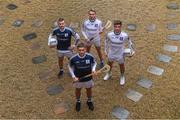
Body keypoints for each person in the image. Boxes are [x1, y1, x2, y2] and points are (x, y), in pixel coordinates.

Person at [104, 20, 134, 85]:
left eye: (118, 27)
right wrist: (105, 51)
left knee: (121, 65)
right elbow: (106, 42)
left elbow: (130, 43)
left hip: (120, 54)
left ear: (121, 27)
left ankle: (122, 76)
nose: (117, 28)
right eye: (115, 26)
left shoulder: (125, 35)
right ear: (113, 27)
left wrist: (132, 51)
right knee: (109, 64)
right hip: (111, 53)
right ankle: (108, 73)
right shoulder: (109, 34)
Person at [68, 42, 97, 112]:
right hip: (78, 79)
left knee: (89, 89)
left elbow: (94, 63)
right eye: (80, 50)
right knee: (78, 90)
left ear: (85, 50)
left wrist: (93, 70)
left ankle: (89, 101)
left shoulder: (90, 56)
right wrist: (73, 76)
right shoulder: (73, 58)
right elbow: (69, 66)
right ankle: (78, 101)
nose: (81, 51)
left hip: (88, 78)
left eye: (83, 50)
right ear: (77, 50)